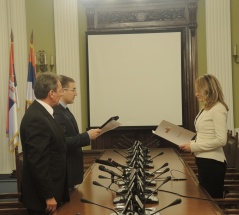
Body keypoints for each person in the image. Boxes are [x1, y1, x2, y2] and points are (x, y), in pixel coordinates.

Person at [20, 72, 69, 215]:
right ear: (51, 93)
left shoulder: (43, 113)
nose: (61, 94)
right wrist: (48, 195)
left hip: (51, 191)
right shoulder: (36, 118)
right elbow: (38, 161)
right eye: (60, 90)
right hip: (43, 199)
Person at [179, 74, 228, 198]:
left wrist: (194, 147)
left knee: (211, 203)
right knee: (204, 201)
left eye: (198, 90)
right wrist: (192, 144)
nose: (196, 94)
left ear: (208, 89)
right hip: (204, 160)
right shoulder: (206, 108)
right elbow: (204, 135)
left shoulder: (218, 108)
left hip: (213, 163)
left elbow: (221, 140)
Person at [53, 75, 101, 190]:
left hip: (72, 173)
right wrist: (87, 136)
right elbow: (63, 141)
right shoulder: (57, 112)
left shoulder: (64, 110)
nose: (76, 93)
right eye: (73, 90)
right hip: (65, 173)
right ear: (63, 91)